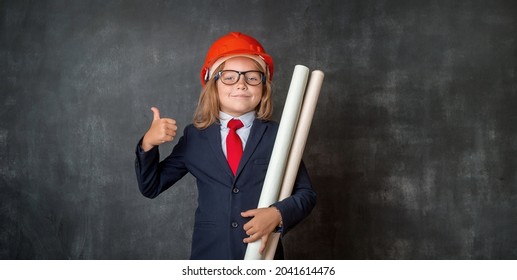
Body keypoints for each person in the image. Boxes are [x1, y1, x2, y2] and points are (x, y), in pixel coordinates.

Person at [134, 32, 316, 260]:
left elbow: (306, 194)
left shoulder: (279, 135)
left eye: (252, 77)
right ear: (213, 85)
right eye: (229, 77)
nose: (241, 84)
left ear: (264, 87)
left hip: (263, 256)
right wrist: (148, 143)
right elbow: (151, 186)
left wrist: (277, 214)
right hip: (209, 256)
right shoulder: (195, 138)